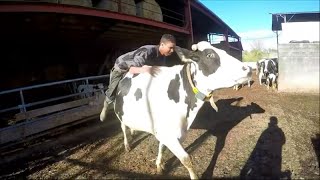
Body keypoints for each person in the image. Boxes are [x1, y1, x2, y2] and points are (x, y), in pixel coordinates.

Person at [100, 34, 176, 121]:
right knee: (112, 90)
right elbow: (132, 70)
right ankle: (105, 107)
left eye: (173, 48)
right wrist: (146, 70)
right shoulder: (147, 51)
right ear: (162, 44)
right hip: (122, 67)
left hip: (141, 68)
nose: (172, 50)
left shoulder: (163, 56)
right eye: (170, 48)